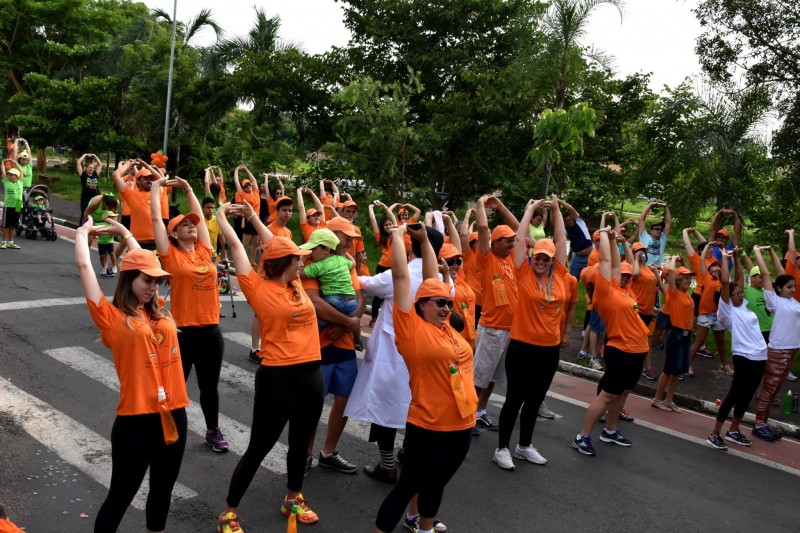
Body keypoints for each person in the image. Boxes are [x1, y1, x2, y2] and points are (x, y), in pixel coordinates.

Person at [214, 203, 324, 531]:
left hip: (311, 375)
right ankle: (229, 513)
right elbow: (237, 247)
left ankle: (293, 496)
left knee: (301, 441)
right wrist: (222, 216)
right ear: (284, 263)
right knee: (259, 447)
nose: (303, 260)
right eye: (298, 257)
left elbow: (272, 243)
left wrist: (251, 215)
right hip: (277, 378)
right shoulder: (257, 287)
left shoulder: (296, 284)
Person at [76, 217, 189, 533]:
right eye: (147, 281)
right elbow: (87, 271)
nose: (153, 287)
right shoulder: (110, 318)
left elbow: (144, 263)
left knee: (163, 490)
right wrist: (83, 235)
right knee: (122, 495)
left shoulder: (158, 307)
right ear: (128, 280)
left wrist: (127, 233)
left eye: (156, 281)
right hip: (136, 421)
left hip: (174, 413)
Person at [373, 223, 476, 533]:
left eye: (448, 303)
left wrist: (425, 240)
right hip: (429, 425)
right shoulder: (412, 331)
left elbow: (434, 278)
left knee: (436, 484)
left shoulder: (449, 330)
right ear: (420, 306)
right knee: (407, 488)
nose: (446, 307)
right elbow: (403, 277)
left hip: (463, 424)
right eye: (439, 303)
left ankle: (425, 528)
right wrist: (396, 236)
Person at [345, 225, 446, 484]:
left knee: (385, 408)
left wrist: (351, 268)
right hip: (427, 354)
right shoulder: (440, 281)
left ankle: (387, 465)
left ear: (411, 245)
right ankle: (408, 456)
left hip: (395, 353)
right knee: (416, 408)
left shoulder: (401, 275)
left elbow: (369, 285)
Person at [150, 175, 229, 454]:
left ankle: (212, 430)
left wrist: (188, 188)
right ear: (173, 234)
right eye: (184, 225)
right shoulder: (169, 255)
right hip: (182, 333)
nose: (191, 226)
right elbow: (157, 222)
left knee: (210, 388)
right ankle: (164, 428)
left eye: (193, 225)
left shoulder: (205, 251)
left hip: (210, 331)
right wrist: (155, 189)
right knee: (174, 386)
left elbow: (199, 218)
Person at [493, 197, 567, 470]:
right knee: (515, 399)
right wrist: (529, 211)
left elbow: (560, 239)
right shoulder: (523, 272)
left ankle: (524, 445)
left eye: (547, 258)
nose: (542, 261)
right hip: (522, 347)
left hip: (549, 349)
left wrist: (557, 211)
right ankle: (501, 448)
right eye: (539, 257)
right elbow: (521, 237)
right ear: (533, 257)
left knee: (535, 401)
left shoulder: (559, 274)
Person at [572, 227, 650, 457]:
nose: (625, 276)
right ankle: (582, 436)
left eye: (626, 275)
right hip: (621, 350)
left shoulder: (623, 290)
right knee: (608, 394)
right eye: (622, 275)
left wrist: (616, 239)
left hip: (637, 349)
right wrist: (605, 236)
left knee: (622, 393)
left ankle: (610, 430)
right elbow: (607, 260)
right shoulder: (604, 292)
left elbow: (617, 263)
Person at [301, 216, 366, 477]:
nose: (351, 242)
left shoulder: (346, 264)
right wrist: (347, 323)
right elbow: (314, 302)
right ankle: (304, 455)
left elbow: (359, 300)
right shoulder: (314, 260)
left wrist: (347, 324)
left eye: (352, 238)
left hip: (344, 344)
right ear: (332, 235)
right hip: (318, 344)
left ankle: (328, 452)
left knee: (345, 399)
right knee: (313, 403)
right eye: (347, 237)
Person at [706, 248, 767, 450]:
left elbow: (739, 278)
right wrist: (725, 258)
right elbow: (726, 283)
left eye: (741, 292)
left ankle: (733, 430)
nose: (741, 294)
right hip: (744, 356)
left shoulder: (745, 308)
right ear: (728, 298)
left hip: (759, 356)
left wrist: (737, 257)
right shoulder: (727, 312)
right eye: (737, 293)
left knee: (747, 395)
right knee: (734, 394)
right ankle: (715, 433)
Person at [472, 195, 520, 433]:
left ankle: (479, 411)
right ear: (496, 242)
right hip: (491, 328)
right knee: (479, 377)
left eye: (512, 243)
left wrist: (501, 206)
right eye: (508, 242)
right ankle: (466, 414)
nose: (512, 245)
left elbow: (520, 230)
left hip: (509, 330)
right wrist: (481, 204)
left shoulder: (510, 259)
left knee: (491, 377)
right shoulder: (487, 258)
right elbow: (482, 228)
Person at [751, 245, 800, 442]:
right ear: (778, 288)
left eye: (794, 287)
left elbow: (783, 273)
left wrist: (772, 251)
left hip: (791, 350)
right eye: (789, 287)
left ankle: (764, 422)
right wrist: (757, 253)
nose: (793, 289)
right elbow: (767, 273)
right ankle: (758, 425)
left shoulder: (792, 301)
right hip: (778, 350)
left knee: (776, 389)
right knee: (769, 388)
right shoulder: (774, 299)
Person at [651, 256, 695, 412]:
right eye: (685, 278)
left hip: (686, 336)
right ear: (678, 280)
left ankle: (669, 400)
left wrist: (684, 264)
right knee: (669, 369)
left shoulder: (687, 294)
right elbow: (670, 271)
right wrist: (675, 259)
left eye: (690, 278)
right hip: (676, 335)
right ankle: (657, 399)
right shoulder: (674, 292)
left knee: (678, 370)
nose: (689, 280)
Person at [688, 241, 733, 376]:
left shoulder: (723, 281)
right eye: (713, 266)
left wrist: (725, 254)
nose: (715, 267)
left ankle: (724, 364)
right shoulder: (706, 276)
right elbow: (702, 258)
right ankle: (686, 364)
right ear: (709, 270)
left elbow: (725, 266)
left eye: (717, 266)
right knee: (700, 340)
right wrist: (710, 245)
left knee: (720, 341)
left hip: (718, 315)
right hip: (705, 314)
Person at [299, 228, 359, 329]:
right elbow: (354, 263)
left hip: (333, 301)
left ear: (326, 250)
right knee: (354, 321)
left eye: (313, 249)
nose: (310, 252)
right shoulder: (342, 260)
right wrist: (345, 253)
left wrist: (304, 257)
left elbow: (299, 273)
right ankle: (357, 340)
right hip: (353, 302)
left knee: (311, 323)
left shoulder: (318, 266)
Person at [112, 160, 164, 251]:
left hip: (157, 243)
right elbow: (116, 175)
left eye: (151, 179)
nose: (150, 181)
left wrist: (146, 164)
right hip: (137, 243)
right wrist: (129, 164)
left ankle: (112, 264)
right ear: (138, 181)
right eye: (146, 179)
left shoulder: (157, 193)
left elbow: (163, 181)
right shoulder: (131, 195)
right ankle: (112, 264)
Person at [631, 242, 659, 380]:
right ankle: (638, 365)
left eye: (643, 251)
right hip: (637, 310)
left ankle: (647, 367)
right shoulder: (631, 267)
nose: (641, 253)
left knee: (647, 340)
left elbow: (656, 285)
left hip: (649, 311)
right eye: (638, 251)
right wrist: (636, 258)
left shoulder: (648, 269)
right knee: (637, 339)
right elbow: (635, 274)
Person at [368, 200, 398, 327]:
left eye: (390, 224)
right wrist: (371, 208)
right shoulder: (381, 236)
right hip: (383, 268)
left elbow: (392, 217)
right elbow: (374, 221)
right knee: (379, 296)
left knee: (392, 295)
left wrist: (384, 205)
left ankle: (388, 320)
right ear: (383, 227)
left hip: (394, 268)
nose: (389, 226)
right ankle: (374, 318)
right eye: (386, 225)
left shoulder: (397, 233)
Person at [83, 193, 119, 276]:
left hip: (103, 221)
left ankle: (105, 268)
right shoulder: (96, 202)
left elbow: (115, 216)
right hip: (91, 219)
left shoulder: (116, 202)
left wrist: (114, 228)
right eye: (108, 208)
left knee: (105, 242)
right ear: (104, 202)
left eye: (111, 208)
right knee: (89, 241)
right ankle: (85, 264)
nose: (110, 210)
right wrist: (92, 224)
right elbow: (86, 214)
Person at [557, 199, 592, 278]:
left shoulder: (580, 222)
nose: (569, 221)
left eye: (570, 219)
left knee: (590, 279)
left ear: (573, 218)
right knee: (572, 279)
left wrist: (559, 201)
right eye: (567, 221)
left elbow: (570, 208)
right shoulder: (566, 229)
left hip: (588, 256)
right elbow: (554, 222)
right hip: (577, 257)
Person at [233, 165, 261, 259]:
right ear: (243, 188)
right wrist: (237, 170)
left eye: (249, 185)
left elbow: (254, 180)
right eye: (246, 186)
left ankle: (252, 260)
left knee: (256, 242)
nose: (248, 187)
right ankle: (241, 259)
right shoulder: (242, 194)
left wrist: (246, 170)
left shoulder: (256, 191)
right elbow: (236, 182)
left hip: (257, 218)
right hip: (248, 219)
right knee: (245, 243)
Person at [637, 201, 672, 266]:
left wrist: (665, 207)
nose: (659, 231)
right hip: (644, 268)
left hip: (656, 270)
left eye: (661, 230)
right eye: (657, 229)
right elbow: (641, 219)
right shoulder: (644, 236)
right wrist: (650, 205)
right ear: (651, 231)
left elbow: (668, 223)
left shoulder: (662, 239)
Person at [1, 160, 24, 249]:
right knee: (6, 225)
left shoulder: (20, 182)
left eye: (11, 175)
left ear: (16, 176)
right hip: (9, 206)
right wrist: (3, 163)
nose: (9, 176)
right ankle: (4, 242)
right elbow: (3, 171)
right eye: (9, 175)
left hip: (18, 206)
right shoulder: (6, 182)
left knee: (13, 225)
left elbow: (21, 171)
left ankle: (10, 242)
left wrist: (14, 162)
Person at [77, 153, 103, 223]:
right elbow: (78, 162)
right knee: (85, 213)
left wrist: (94, 156)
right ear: (86, 168)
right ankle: (82, 227)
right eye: (90, 167)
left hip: (95, 198)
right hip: (86, 198)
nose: (91, 169)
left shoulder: (95, 175)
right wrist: (85, 155)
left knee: (94, 214)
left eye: (93, 168)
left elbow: (100, 165)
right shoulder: (83, 175)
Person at [202, 197, 227, 261]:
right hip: (201, 255)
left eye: (212, 208)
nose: (211, 209)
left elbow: (222, 239)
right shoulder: (199, 221)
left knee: (215, 271)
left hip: (213, 255)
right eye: (208, 207)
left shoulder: (216, 220)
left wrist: (225, 257)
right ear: (202, 208)